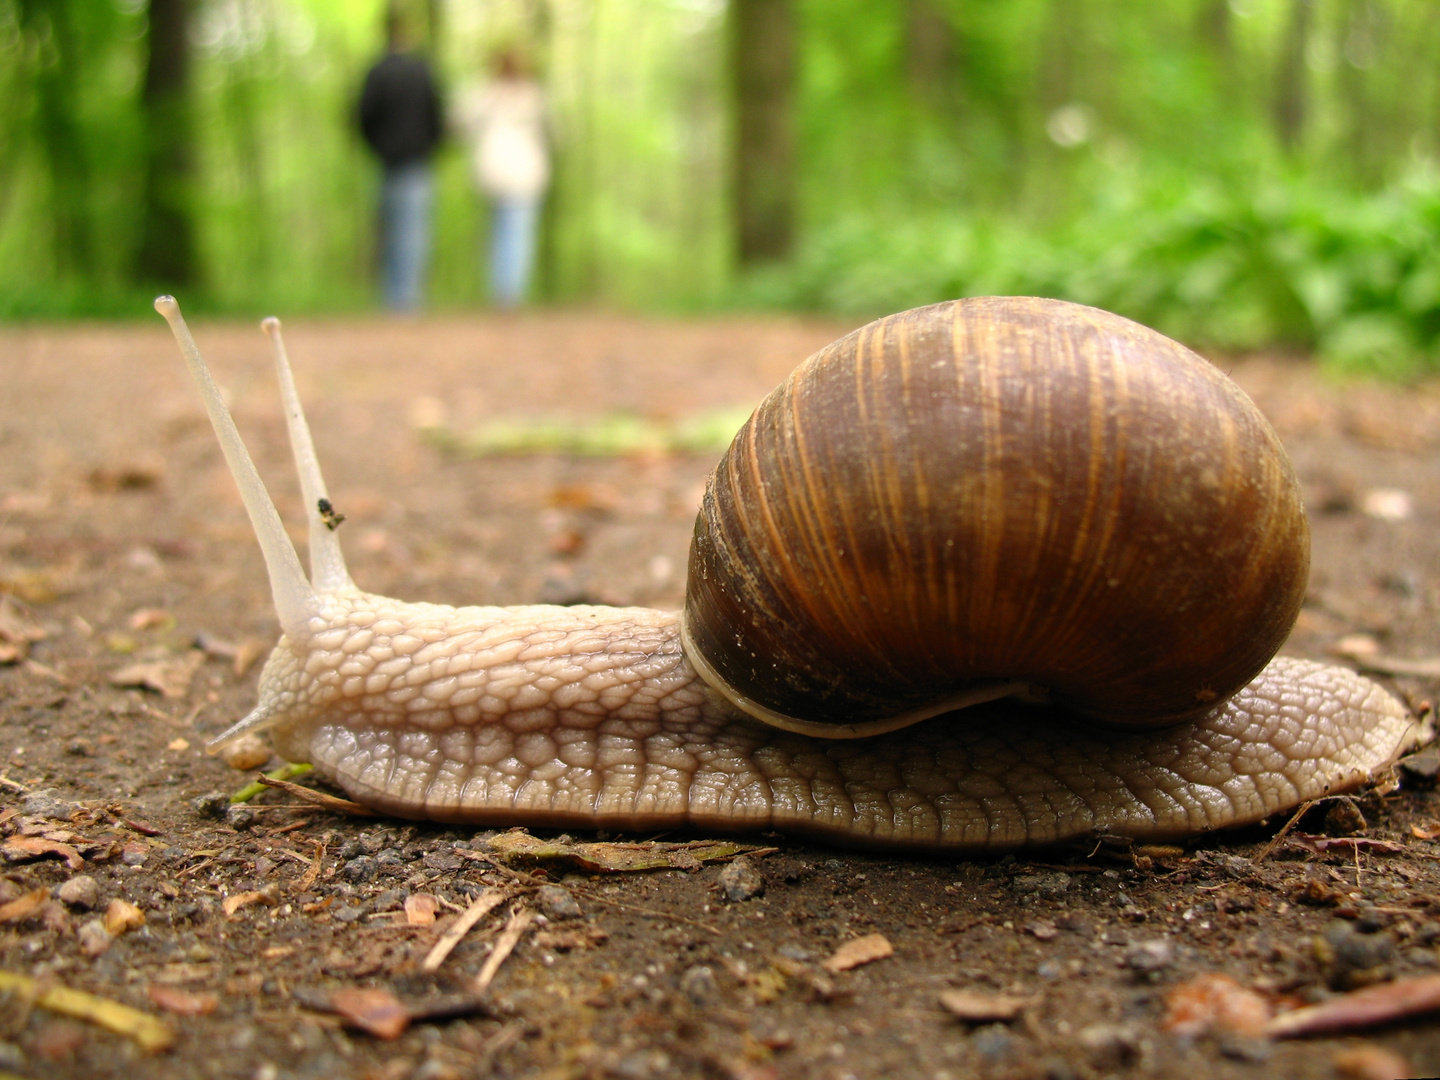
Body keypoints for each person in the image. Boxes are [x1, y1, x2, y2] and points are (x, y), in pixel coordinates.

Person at [358, 12, 444, 312]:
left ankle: (393, 300)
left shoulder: (377, 71)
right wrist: (430, 146)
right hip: (416, 161)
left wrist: (377, 147)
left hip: (387, 162)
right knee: (413, 232)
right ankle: (406, 301)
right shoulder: (423, 70)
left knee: (391, 231)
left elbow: (362, 117)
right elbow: (438, 117)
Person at [454, 49, 550, 308]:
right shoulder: (532, 94)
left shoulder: (484, 93)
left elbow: (459, 125)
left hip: (494, 171)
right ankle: (509, 293)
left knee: (499, 233)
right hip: (522, 173)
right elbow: (553, 131)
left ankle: (503, 292)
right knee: (517, 233)